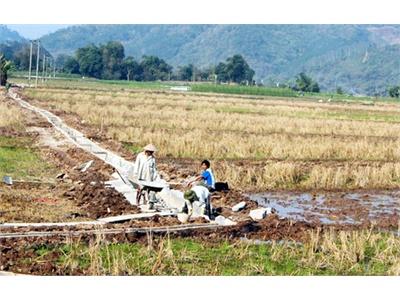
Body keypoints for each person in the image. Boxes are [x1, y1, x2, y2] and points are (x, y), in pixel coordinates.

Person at [129, 143, 161, 208]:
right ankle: (137, 201)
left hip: (149, 176)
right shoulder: (140, 156)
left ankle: (148, 201)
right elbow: (137, 165)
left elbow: (154, 168)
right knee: (140, 189)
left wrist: (156, 176)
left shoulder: (152, 158)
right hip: (141, 175)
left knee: (149, 190)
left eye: (152, 152)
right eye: (150, 152)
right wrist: (135, 174)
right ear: (146, 151)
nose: (151, 153)